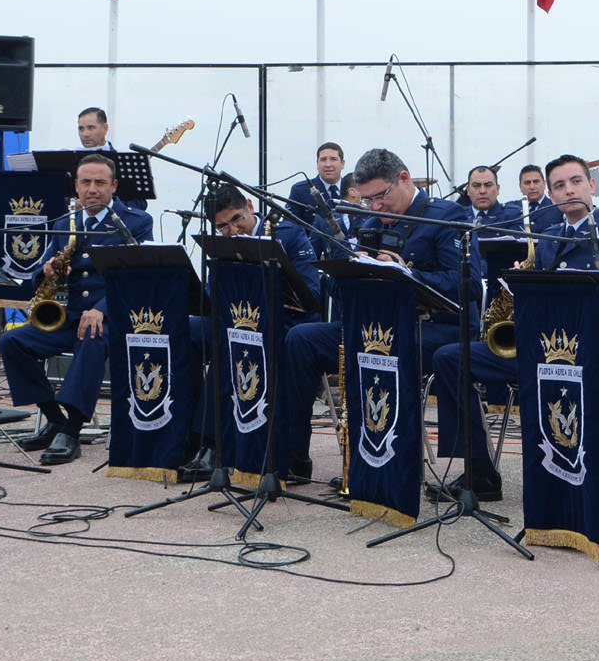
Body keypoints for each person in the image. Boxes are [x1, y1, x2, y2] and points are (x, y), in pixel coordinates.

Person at [428, 154, 599, 502]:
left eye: (575, 182)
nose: (568, 190)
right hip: (546, 350)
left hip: (597, 355)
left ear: (591, 186)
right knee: (452, 358)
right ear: (551, 196)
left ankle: (568, 481)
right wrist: (520, 288)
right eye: (559, 185)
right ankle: (480, 473)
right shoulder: (549, 237)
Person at [276, 149, 471, 484]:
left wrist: (408, 273)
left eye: (381, 196)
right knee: (301, 339)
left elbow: (465, 285)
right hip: (374, 327)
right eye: (368, 200)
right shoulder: (370, 224)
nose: (376, 207)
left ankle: (384, 463)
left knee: (382, 348)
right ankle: (292, 456)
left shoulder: (446, 216)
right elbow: (337, 291)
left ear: (404, 179)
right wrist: (348, 271)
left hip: (431, 328)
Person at [0, 153, 156, 465]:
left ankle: (71, 430)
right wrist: (47, 272)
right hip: (71, 317)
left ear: (114, 186)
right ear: (76, 186)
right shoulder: (64, 223)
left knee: (91, 337)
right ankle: (54, 418)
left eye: (100, 182)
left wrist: (101, 309)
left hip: (113, 317)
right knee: (11, 341)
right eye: (86, 182)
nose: (92, 189)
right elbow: (40, 275)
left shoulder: (136, 222)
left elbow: (138, 277)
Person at [175, 186, 324, 482]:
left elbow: (311, 293)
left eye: (237, 219)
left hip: (285, 323)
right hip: (239, 323)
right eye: (222, 226)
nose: (232, 230)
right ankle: (188, 439)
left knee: (231, 342)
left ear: (251, 206)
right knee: (187, 330)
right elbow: (211, 297)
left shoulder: (287, 235)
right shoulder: (223, 244)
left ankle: (213, 445)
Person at [289, 142, 349, 233]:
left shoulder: (355, 189)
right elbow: (290, 226)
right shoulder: (300, 190)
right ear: (317, 164)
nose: (328, 164)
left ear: (342, 163)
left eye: (333, 159)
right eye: (323, 159)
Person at [461, 164, 522, 229]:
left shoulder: (513, 216)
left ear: (497, 189)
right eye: (476, 185)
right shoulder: (459, 216)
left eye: (488, 185)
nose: (482, 191)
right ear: (468, 190)